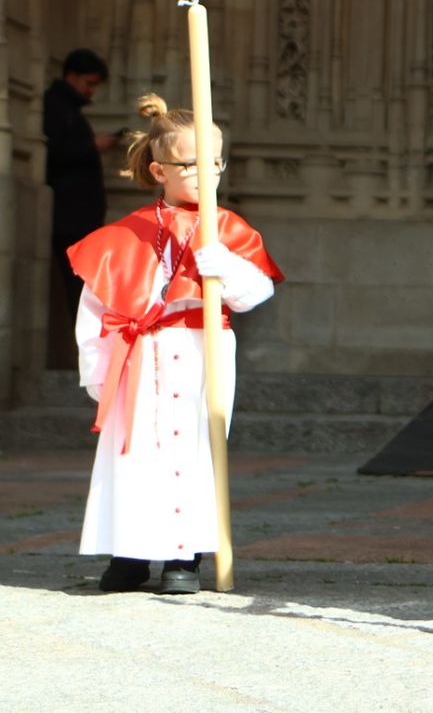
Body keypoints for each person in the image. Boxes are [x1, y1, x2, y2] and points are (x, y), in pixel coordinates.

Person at [70, 95, 281, 594]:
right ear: (160, 169)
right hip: (142, 357)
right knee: (136, 452)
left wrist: (225, 268)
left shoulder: (228, 228)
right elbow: (97, 306)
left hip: (201, 353)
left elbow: (256, 293)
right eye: (192, 164)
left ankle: (183, 559)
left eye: (216, 162)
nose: (207, 173)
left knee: (194, 450)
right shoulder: (125, 234)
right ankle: (131, 553)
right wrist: (97, 372)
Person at [45, 49, 119, 311]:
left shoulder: (68, 110)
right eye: (89, 84)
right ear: (72, 76)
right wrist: (91, 145)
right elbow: (54, 152)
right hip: (69, 219)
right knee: (80, 295)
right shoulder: (55, 106)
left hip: (77, 219)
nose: (91, 91)